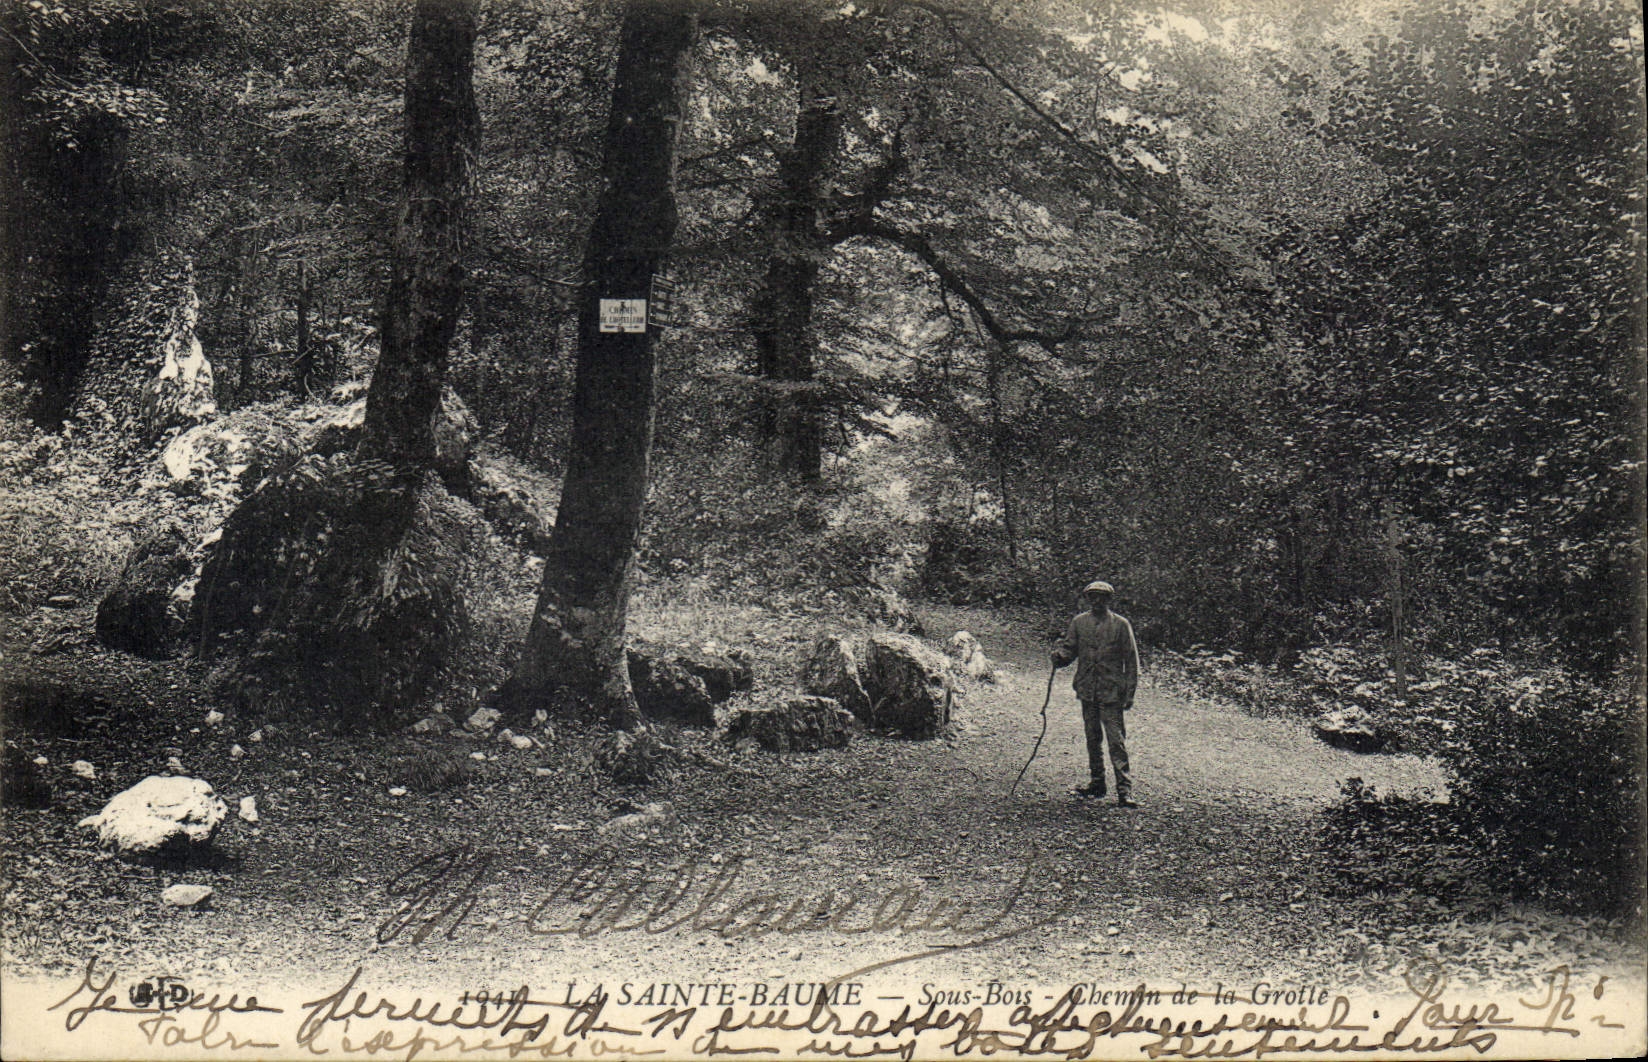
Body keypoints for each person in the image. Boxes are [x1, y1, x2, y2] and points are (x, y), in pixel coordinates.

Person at [1051, 580, 1140, 806]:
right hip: (1087, 689)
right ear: (1088, 599)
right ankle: (1097, 783)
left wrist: (1129, 692)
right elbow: (1069, 649)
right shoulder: (1079, 623)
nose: (1097, 601)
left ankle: (1124, 790)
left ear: (1109, 600)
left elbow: (1131, 661)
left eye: (1102, 597)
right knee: (1092, 739)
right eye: (1093, 597)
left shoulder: (1121, 625)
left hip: (1112, 692)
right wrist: (1059, 657)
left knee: (1116, 741)